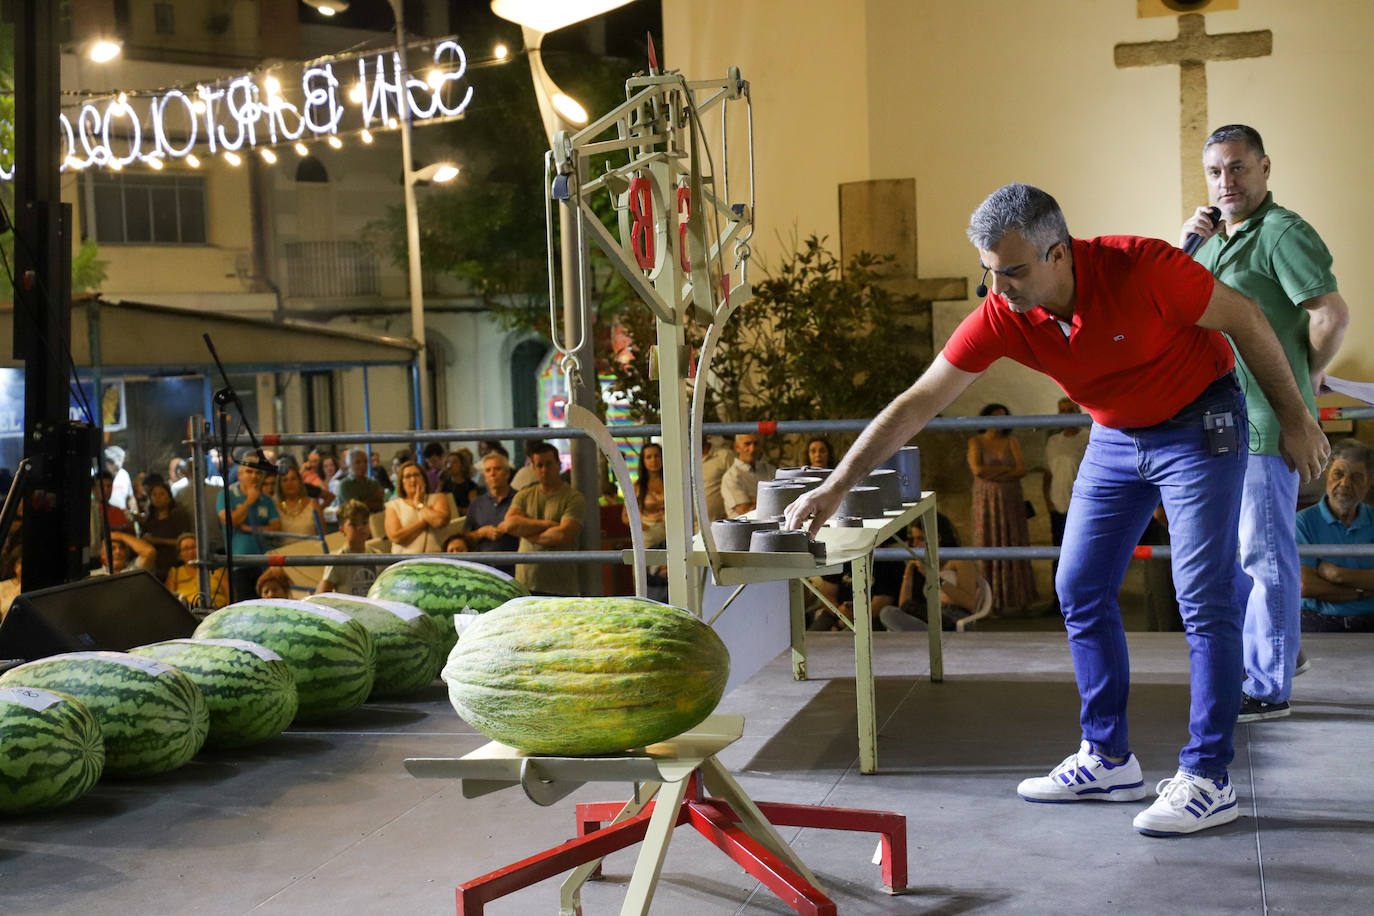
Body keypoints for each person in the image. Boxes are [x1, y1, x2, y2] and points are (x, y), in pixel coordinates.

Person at [783, 183, 1327, 838]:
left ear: (1059, 253)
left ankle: (1209, 778)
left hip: (1198, 423)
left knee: (1204, 595)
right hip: (1114, 435)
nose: (999, 287)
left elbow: (1248, 319)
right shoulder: (1003, 311)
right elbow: (919, 401)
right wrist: (836, 485)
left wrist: (1296, 418)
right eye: (989, 271)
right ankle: (1108, 758)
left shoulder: (1145, 268)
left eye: (1014, 271)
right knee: (1079, 586)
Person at [1180, 124, 1351, 725]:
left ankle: (1269, 688)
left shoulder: (1280, 232)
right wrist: (1186, 246)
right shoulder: (1216, 239)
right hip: (1219, 422)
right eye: (1215, 171)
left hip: (1264, 420)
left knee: (1265, 555)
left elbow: (1330, 314)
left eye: (1238, 167)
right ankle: (1283, 653)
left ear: (1265, 167)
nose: (1226, 181)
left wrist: (1306, 376)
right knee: (1239, 556)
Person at [1295, 439, 1374, 635]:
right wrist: (1361, 593)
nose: (1345, 483)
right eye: (1338, 474)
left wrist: (1337, 574)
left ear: (1369, 483)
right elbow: (1305, 585)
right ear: (1327, 475)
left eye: (1356, 477)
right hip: (1317, 620)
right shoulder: (1302, 522)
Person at [968, 403, 1036, 614]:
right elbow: (977, 470)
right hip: (987, 501)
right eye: (996, 416)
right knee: (988, 540)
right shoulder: (976, 442)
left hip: (1010, 501)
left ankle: (1019, 599)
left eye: (1004, 417)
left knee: (1013, 539)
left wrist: (994, 473)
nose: (1000, 421)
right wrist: (1007, 470)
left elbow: (1021, 469)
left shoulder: (1011, 441)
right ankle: (991, 602)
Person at [501, 442, 586, 596]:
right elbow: (510, 525)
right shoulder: (524, 495)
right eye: (539, 465)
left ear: (558, 464)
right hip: (526, 584)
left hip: (561, 586)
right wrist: (548, 525)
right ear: (534, 469)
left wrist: (526, 532)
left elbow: (563, 535)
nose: (544, 470)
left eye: (549, 464)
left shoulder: (573, 498)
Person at [879, 513, 983, 631]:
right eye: (912, 540)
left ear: (938, 538)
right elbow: (904, 605)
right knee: (888, 612)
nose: (915, 545)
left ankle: (926, 636)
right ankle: (926, 635)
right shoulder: (924, 564)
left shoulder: (959, 560)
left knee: (893, 618)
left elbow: (970, 603)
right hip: (932, 616)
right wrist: (909, 573)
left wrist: (932, 576)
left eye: (920, 539)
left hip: (955, 617)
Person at [217, 457, 282, 601]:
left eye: (258, 473)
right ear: (240, 475)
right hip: (240, 564)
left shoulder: (266, 500)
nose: (254, 476)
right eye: (249, 472)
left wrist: (251, 529)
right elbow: (231, 520)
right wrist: (249, 501)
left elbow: (276, 527)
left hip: (265, 563)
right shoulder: (226, 496)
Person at [1042, 397, 1088, 597]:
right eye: (1062, 410)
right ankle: (1058, 600)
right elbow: (1047, 474)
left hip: (1081, 506)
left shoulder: (1088, 438)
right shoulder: (1053, 441)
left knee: (1082, 552)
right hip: (1058, 504)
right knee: (1059, 552)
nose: (1066, 414)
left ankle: (1083, 598)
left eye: (1070, 410)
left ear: (1078, 413)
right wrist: (1048, 502)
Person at [463, 452, 520, 571]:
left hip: (516, 566)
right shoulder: (476, 503)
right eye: (488, 470)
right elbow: (464, 537)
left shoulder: (520, 499)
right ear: (485, 476)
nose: (492, 474)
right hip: (484, 569)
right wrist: (481, 533)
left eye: (497, 469)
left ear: (507, 473)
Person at [317, 500, 382, 596]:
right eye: (353, 524)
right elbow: (323, 595)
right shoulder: (337, 560)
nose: (360, 528)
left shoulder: (378, 556)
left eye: (364, 523)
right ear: (342, 530)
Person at [384, 461, 450, 554]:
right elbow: (397, 537)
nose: (413, 480)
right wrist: (426, 521)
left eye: (416, 475)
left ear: (424, 478)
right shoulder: (393, 505)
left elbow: (439, 521)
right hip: (405, 559)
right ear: (401, 482)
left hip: (435, 557)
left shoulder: (438, 498)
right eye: (408, 476)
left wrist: (419, 504)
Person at [140, 479, 192, 580]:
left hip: (175, 563)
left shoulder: (178, 516)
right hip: (156, 566)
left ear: (169, 497)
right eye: (154, 494)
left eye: (161, 494)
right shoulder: (149, 520)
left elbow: (184, 541)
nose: (158, 497)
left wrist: (157, 540)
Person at [165, 532, 229, 611]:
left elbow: (230, 596)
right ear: (180, 554)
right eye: (186, 549)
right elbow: (169, 601)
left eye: (193, 547)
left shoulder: (216, 570)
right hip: (187, 613)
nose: (191, 552)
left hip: (216, 612)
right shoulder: (175, 573)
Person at [721, 433, 776, 518]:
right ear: (737, 447)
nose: (752, 449)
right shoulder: (730, 477)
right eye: (747, 444)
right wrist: (771, 500)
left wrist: (753, 500)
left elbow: (783, 499)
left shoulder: (769, 469)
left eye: (756, 444)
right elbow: (745, 511)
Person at [623, 442, 667, 547]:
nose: (653, 460)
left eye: (656, 456)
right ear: (643, 461)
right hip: (647, 537)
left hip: (671, 535)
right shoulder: (637, 486)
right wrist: (640, 525)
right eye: (649, 457)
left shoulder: (671, 483)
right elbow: (625, 516)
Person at [275, 463, 325, 539]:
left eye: (293, 479)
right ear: (280, 485)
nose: (289, 483)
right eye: (285, 480)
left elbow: (323, 534)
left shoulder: (313, 504)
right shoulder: (275, 509)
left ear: (299, 481)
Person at [335, 447, 385, 513]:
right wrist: (373, 497)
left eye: (365, 462)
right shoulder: (345, 485)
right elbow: (355, 510)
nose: (363, 465)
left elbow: (380, 506)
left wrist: (363, 502)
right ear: (349, 465)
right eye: (358, 462)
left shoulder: (373, 483)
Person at [92, 529, 157, 576]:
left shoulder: (135, 570)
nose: (118, 551)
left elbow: (149, 552)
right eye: (112, 548)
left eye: (122, 548)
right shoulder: (94, 576)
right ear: (102, 554)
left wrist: (121, 536)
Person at [700, 435, 734, 522]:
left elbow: (736, 485)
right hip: (688, 525)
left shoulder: (724, 456)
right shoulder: (681, 459)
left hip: (718, 524)